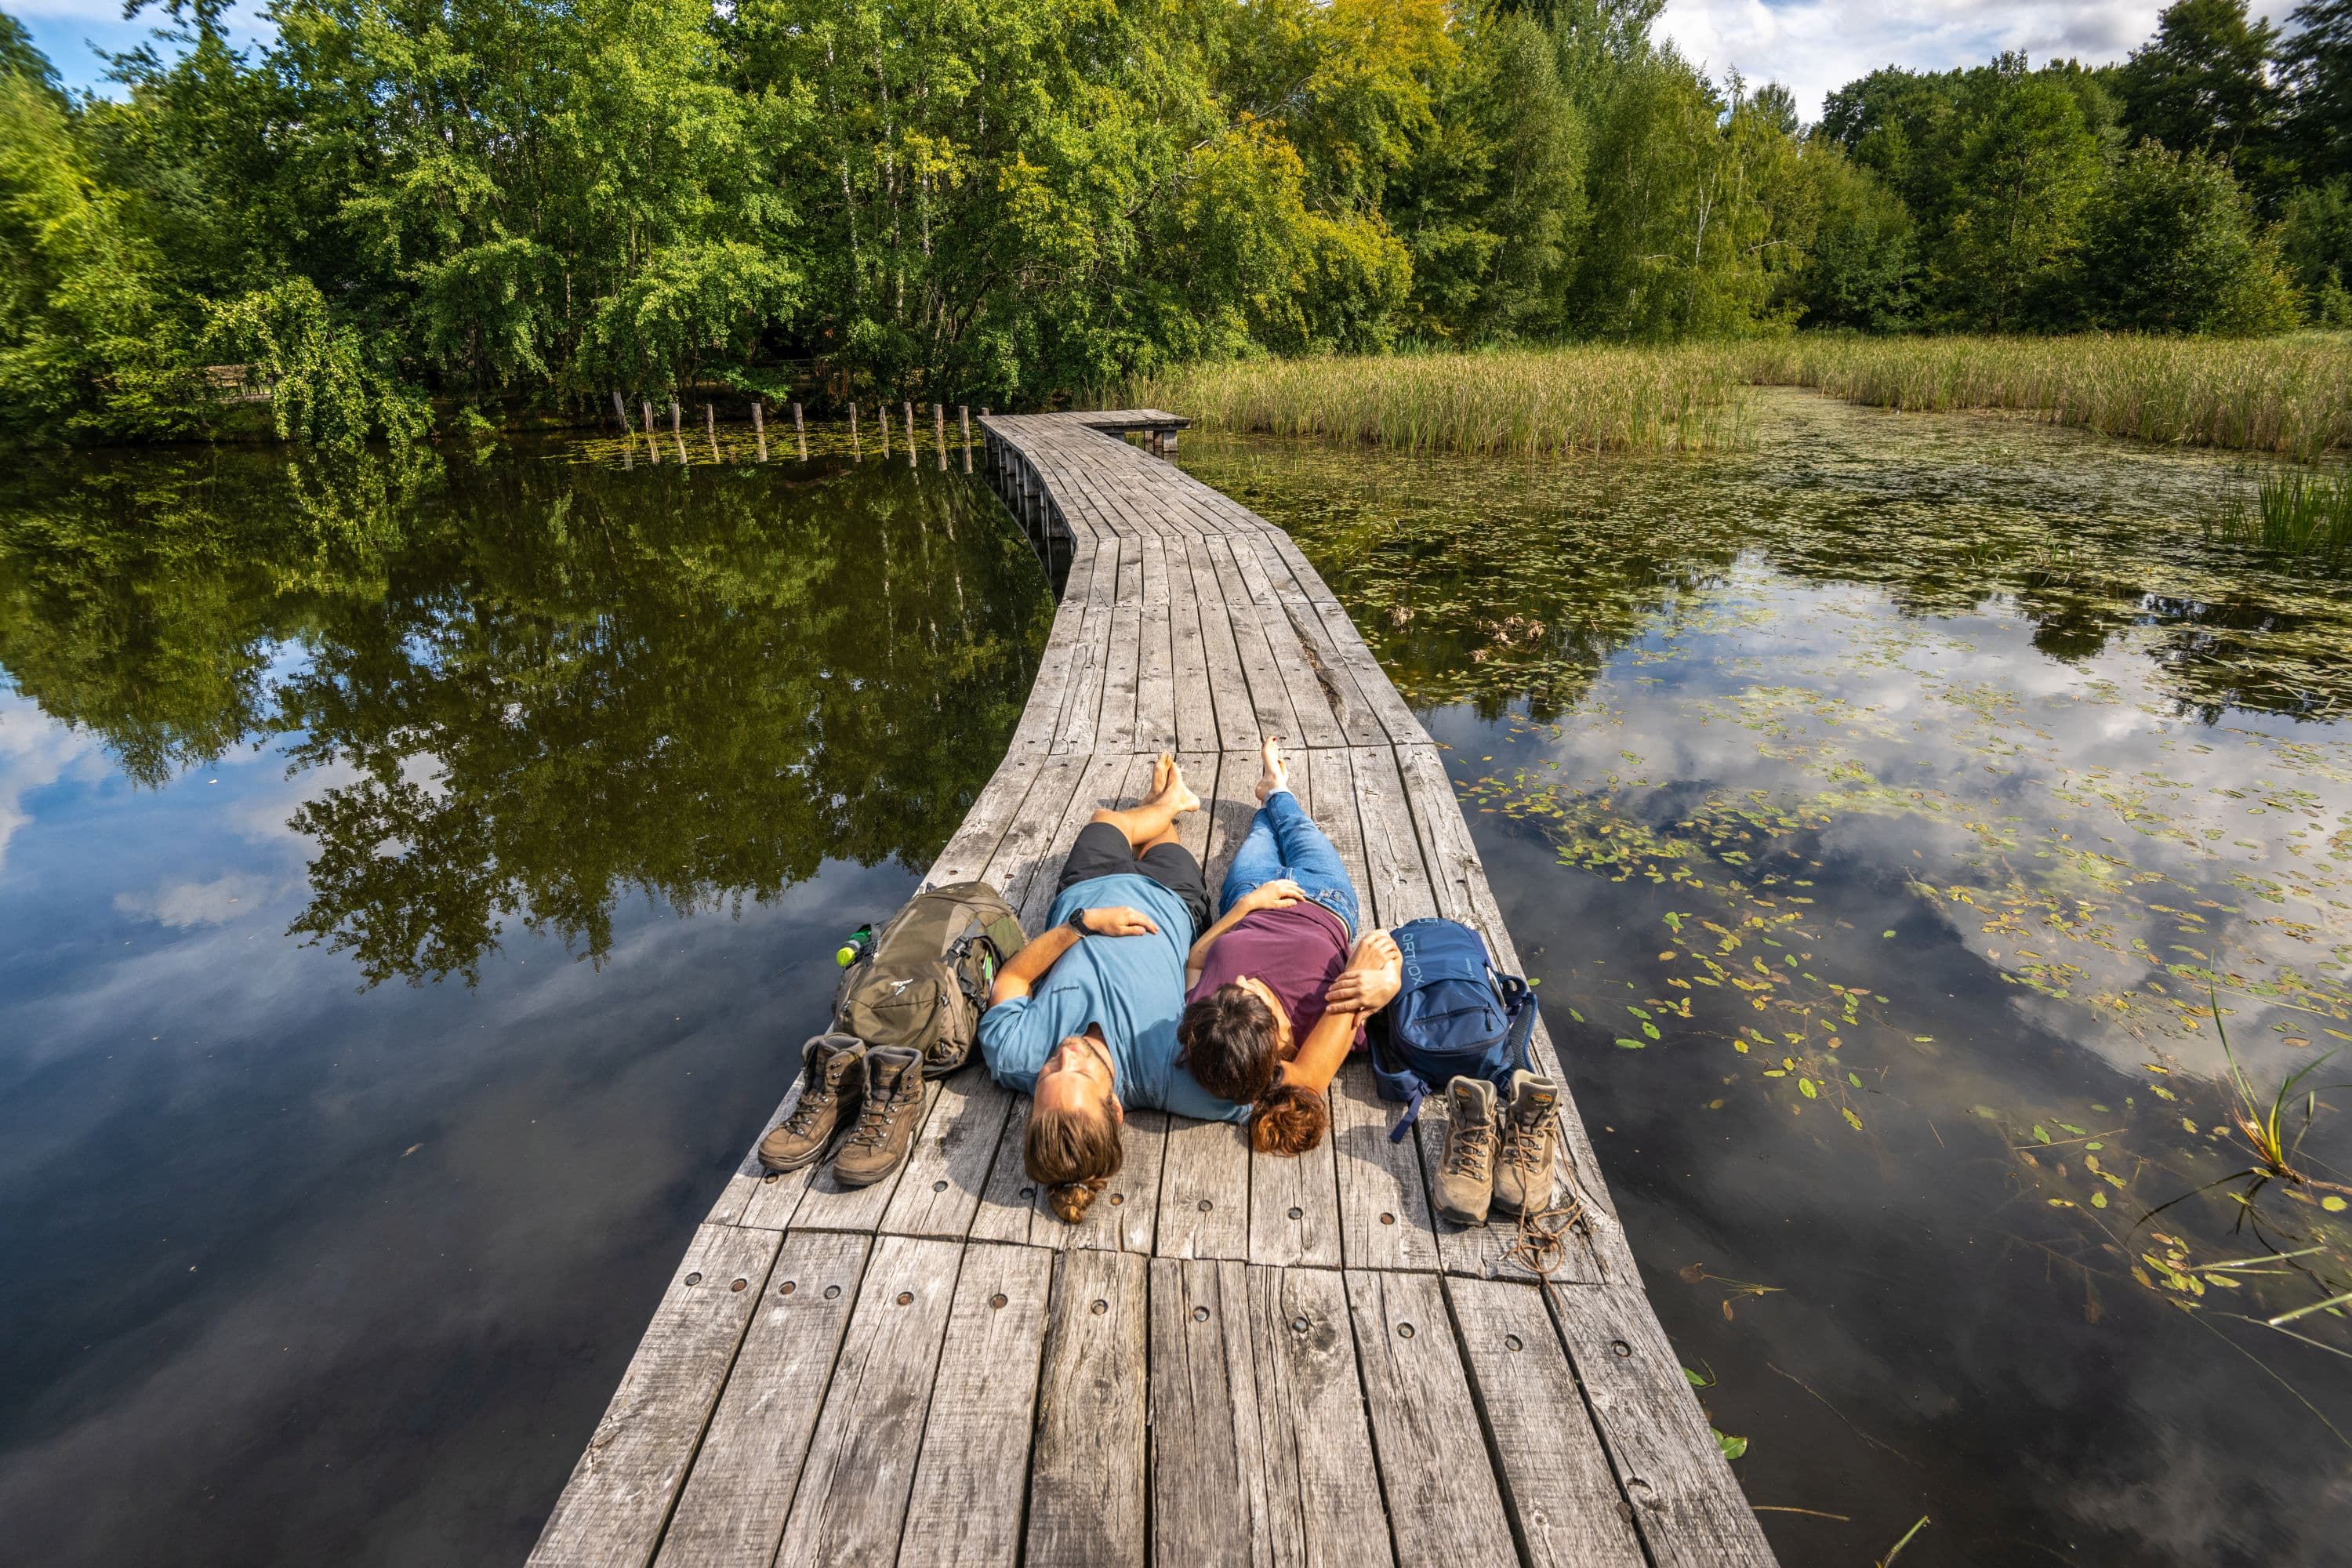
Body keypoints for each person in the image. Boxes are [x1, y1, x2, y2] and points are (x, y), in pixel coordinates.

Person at [978, 754, 1241, 1222]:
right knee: (1162, 841)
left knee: (1104, 820)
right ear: (1116, 1109)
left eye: (1047, 1074)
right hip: (1172, 899)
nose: (1066, 1052)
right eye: (1077, 1073)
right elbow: (1275, 1091)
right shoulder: (1169, 1078)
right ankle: (1165, 809)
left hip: (1086, 891)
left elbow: (1013, 979)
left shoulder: (1014, 1055)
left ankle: (1160, 801)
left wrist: (1080, 927)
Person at [1178, 738, 1401, 1154]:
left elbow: (1194, 959)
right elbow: (1383, 956)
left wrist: (1247, 905)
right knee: (1298, 828)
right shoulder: (1322, 1024)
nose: (1242, 979)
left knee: (1261, 829)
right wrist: (1389, 980)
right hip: (1325, 896)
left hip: (1251, 891)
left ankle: (1272, 789)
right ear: (1279, 1035)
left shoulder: (1213, 1026)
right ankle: (1276, 785)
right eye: (1250, 994)